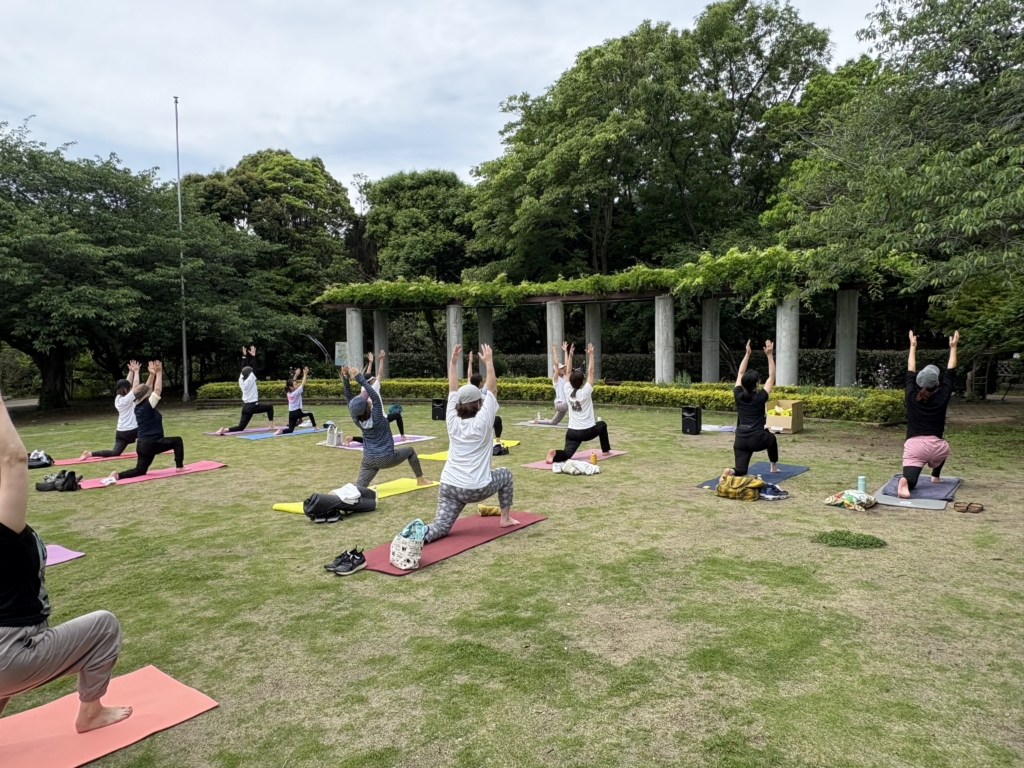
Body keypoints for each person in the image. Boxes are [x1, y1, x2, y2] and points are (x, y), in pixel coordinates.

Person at [0, 388, 132, 732]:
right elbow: (13, 458)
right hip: (10, 653)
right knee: (104, 626)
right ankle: (91, 713)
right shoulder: (3, 530)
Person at [423, 344, 518, 543]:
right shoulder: (483, 421)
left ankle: (413, 536)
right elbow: (492, 389)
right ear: (478, 403)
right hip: (476, 488)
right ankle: (505, 519)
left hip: (449, 486)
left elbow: (452, 388)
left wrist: (453, 363)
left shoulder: (452, 418)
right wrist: (489, 362)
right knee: (506, 474)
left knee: (440, 527)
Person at [342, 353, 429, 488]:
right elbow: (373, 395)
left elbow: (349, 399)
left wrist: (345, 378)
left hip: (369, 460)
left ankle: (338, 495)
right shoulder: (377, 415)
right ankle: (421, 479)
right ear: (366, 405)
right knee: (410, 451)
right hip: (387, 458)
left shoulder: (356, 419)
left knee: (358, 488)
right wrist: (359, 377)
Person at [899, 330, 959, 498]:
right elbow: (951, 372)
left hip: (914, 447)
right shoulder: (942, 397)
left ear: (917, 383)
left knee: (911, 480)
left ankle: (906, 482)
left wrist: (912, 346)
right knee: (944, 446)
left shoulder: (911, 395)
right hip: (937, 448)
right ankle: (935, 476)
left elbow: (910, 370)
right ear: (937, 384)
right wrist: (953, 347)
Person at [107, 361, 185, 481]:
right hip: (152, 443)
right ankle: (180, 467)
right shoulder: (148, 405)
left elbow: (146, 389)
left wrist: (152, 374)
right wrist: (159, 372)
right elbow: (157, 389)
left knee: (140, 470)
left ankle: (118, 475)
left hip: (142, 445)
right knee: (177, 441)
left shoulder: (137, 404)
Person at [545, 343, 611, 464]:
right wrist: (591, 355)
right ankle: (605, 450)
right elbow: (591, 372)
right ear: (582, 382)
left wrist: (570, 355)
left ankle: (555, 454)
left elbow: (568, 372)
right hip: (587, 431)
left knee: (567, 454)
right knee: (602, 425)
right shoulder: (585, 392)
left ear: (570, 381)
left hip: (572, 432)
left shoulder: (567, 389)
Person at [722, 340, 780, 478]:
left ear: (742, 383)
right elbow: (772, 376)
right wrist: (769, 355)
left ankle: (731, 471)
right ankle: (773, 467)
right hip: (757, 440)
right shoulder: (760, 397)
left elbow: (740, 373)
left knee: (741, 470)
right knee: (772, 438)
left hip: (740, 440)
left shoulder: (738, 395)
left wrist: (747, 354)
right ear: (757, 384)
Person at [79, 360, 142, 460]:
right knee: (149, 430)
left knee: (115, 452)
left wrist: (131, 371)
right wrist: (137, 372)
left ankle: (89, 454)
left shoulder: (118, 398)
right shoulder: (127, 399)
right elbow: (135, 387)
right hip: (133, 430)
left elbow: (127, 383)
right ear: (125, 389)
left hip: (121, 431)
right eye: (128, 388)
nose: (130, 388)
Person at [342, 351, 407, 444]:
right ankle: (402, 435)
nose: (375, 379)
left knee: (370, 437)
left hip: (367, 418)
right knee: (397, 416)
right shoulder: (374, 387)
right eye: (373, 379)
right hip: (380, 418)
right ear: (371, 381)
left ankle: (351, 438)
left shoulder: (363, 388)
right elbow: (380, 373)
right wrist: (381, 360)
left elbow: (366, 377)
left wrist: (370, 362)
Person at [214, 345, 275, 434]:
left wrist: (244, 356)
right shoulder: (250, 379)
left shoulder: (241, 379)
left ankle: (224, 430)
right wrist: (253, 356)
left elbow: (243, 368)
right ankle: (271, 426)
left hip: (245, 407)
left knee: (240, 427)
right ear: (249, 374)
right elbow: (255, 368)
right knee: (270, 407)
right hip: (253, 407)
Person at [531, 342, 569, 425]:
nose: (563, 369)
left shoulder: (565, 377)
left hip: (565, 404)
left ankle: (538, 421)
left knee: (553, 422)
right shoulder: (556, 379)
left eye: (563, 368)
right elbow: (556, 364)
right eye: (561, 368)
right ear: (556, 370)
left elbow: (567, 364)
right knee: (573, 403)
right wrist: (554, 351)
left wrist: (566, 351)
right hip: (560, 404)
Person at [467, 350, 502, 439]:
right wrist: (488, 363)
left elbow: (469, 375)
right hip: (483, 419)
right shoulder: (483, 392)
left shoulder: (469, 388)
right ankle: (498, 440)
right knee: (498, 420)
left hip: (471, 419)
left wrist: (470, 362)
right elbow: (492, 384)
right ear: (480, 382)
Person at [275, 367, 316, 435]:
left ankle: (281, 431)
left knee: (290, 429)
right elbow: (303, 384)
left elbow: (292, 382)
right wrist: (305, 374)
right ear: (291, 387)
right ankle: (315, 427)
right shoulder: (297, 392)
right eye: (296, 385)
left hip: (291, 413)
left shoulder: (288, 392)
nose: (297, 385)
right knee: (310, 413)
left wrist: (296, 375)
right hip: (297, 412)